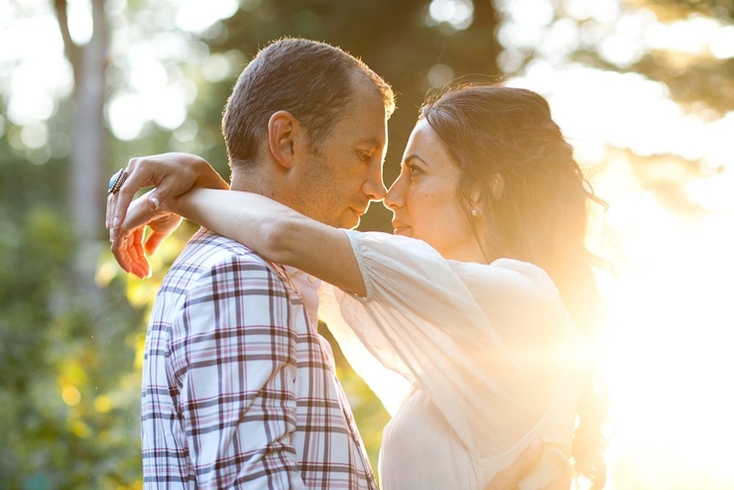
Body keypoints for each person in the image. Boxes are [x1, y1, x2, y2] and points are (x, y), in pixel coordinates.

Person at [109, 83, 608, 488]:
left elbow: (284, 237)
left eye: (415, 172)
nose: (390, 194)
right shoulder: (448, 319)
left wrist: (189, 193)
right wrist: (215, 189)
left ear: (481, 192)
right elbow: (292, 257)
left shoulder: (520, 299)